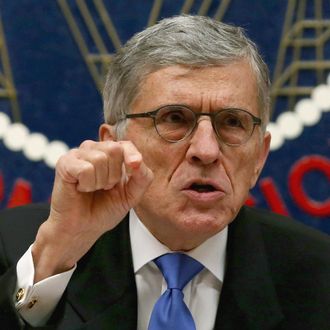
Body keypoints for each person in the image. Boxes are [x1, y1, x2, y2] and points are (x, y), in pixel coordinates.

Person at [0, 15, 329, 330]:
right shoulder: (17, 244)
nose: (206, 150)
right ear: (114, 144)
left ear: (259, 156)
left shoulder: (319, 277)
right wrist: (57, 255)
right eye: (174, 118)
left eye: (232, 122)